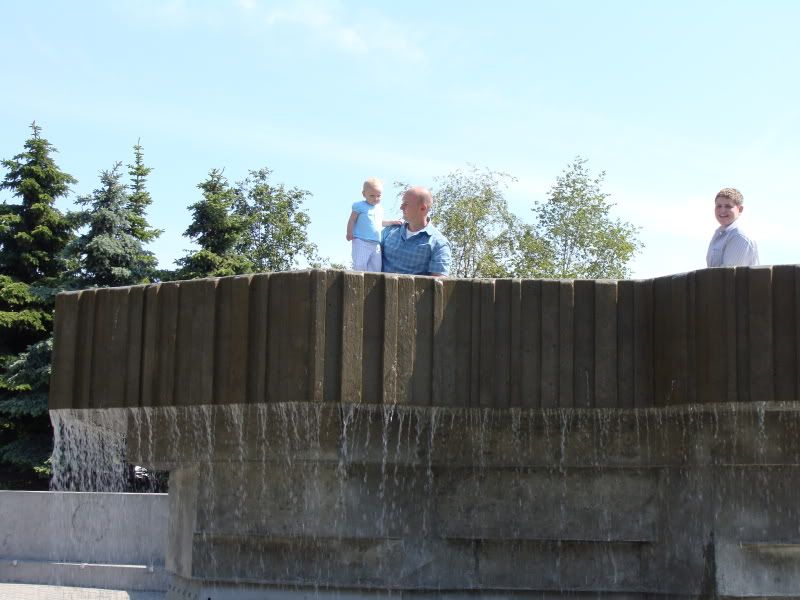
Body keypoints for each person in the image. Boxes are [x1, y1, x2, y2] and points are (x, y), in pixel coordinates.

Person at [381, 186, 451, 276]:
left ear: (422, 208)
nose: (401, 207)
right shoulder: (389, 231)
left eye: (406, 204)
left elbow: (439, 282)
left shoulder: (439, 243)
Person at [346, 178, 402, 272]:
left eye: (378, 196)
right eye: (372, 196)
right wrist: (349, 232)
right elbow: (352, 220)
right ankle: (358, 280)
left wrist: (392, 222)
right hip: (361, 241)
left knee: (376, 268)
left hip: (375, 243)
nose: (375, 199)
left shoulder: (379, 208)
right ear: (364, 194)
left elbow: (380, 222)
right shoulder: (359, 205)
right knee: (360, 265)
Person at [706, 187, 759, 267]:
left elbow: (729, 273)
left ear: (740, 209)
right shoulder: (719, 234)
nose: (722, 210)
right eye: (719, 206)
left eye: (728, 206)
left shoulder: (739, 236)